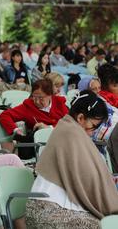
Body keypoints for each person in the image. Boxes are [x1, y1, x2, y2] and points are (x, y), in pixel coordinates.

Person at [26, 90, 118, 228]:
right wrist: (110, 204)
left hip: (43, 207)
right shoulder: (72, 134)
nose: (93, 131)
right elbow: (89, 179)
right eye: (94, 126)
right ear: (81, 118)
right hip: (49, 211)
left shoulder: (66, 127)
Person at [0, 79, 68, 138]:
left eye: (41, 98)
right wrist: (16, 130)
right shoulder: (28, 107)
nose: (37, 101)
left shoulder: (59, 103)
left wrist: (49, 127)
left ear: (50, 95)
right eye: (34, 97)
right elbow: (5, 115)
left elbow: (69, 122)